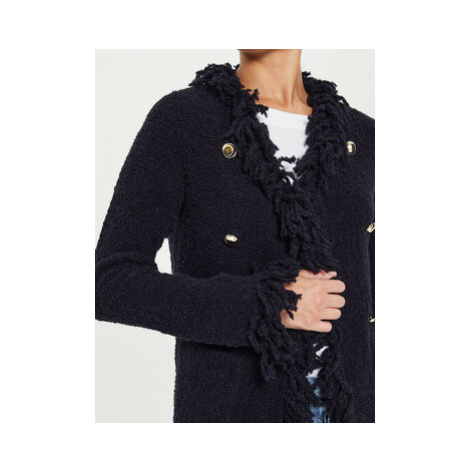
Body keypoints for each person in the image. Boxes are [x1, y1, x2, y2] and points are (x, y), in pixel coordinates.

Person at [95, 49, 375, 423]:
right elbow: (108, 282)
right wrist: (264, 305)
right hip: (236, 412)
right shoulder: (182, 120)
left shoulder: (364, 136)